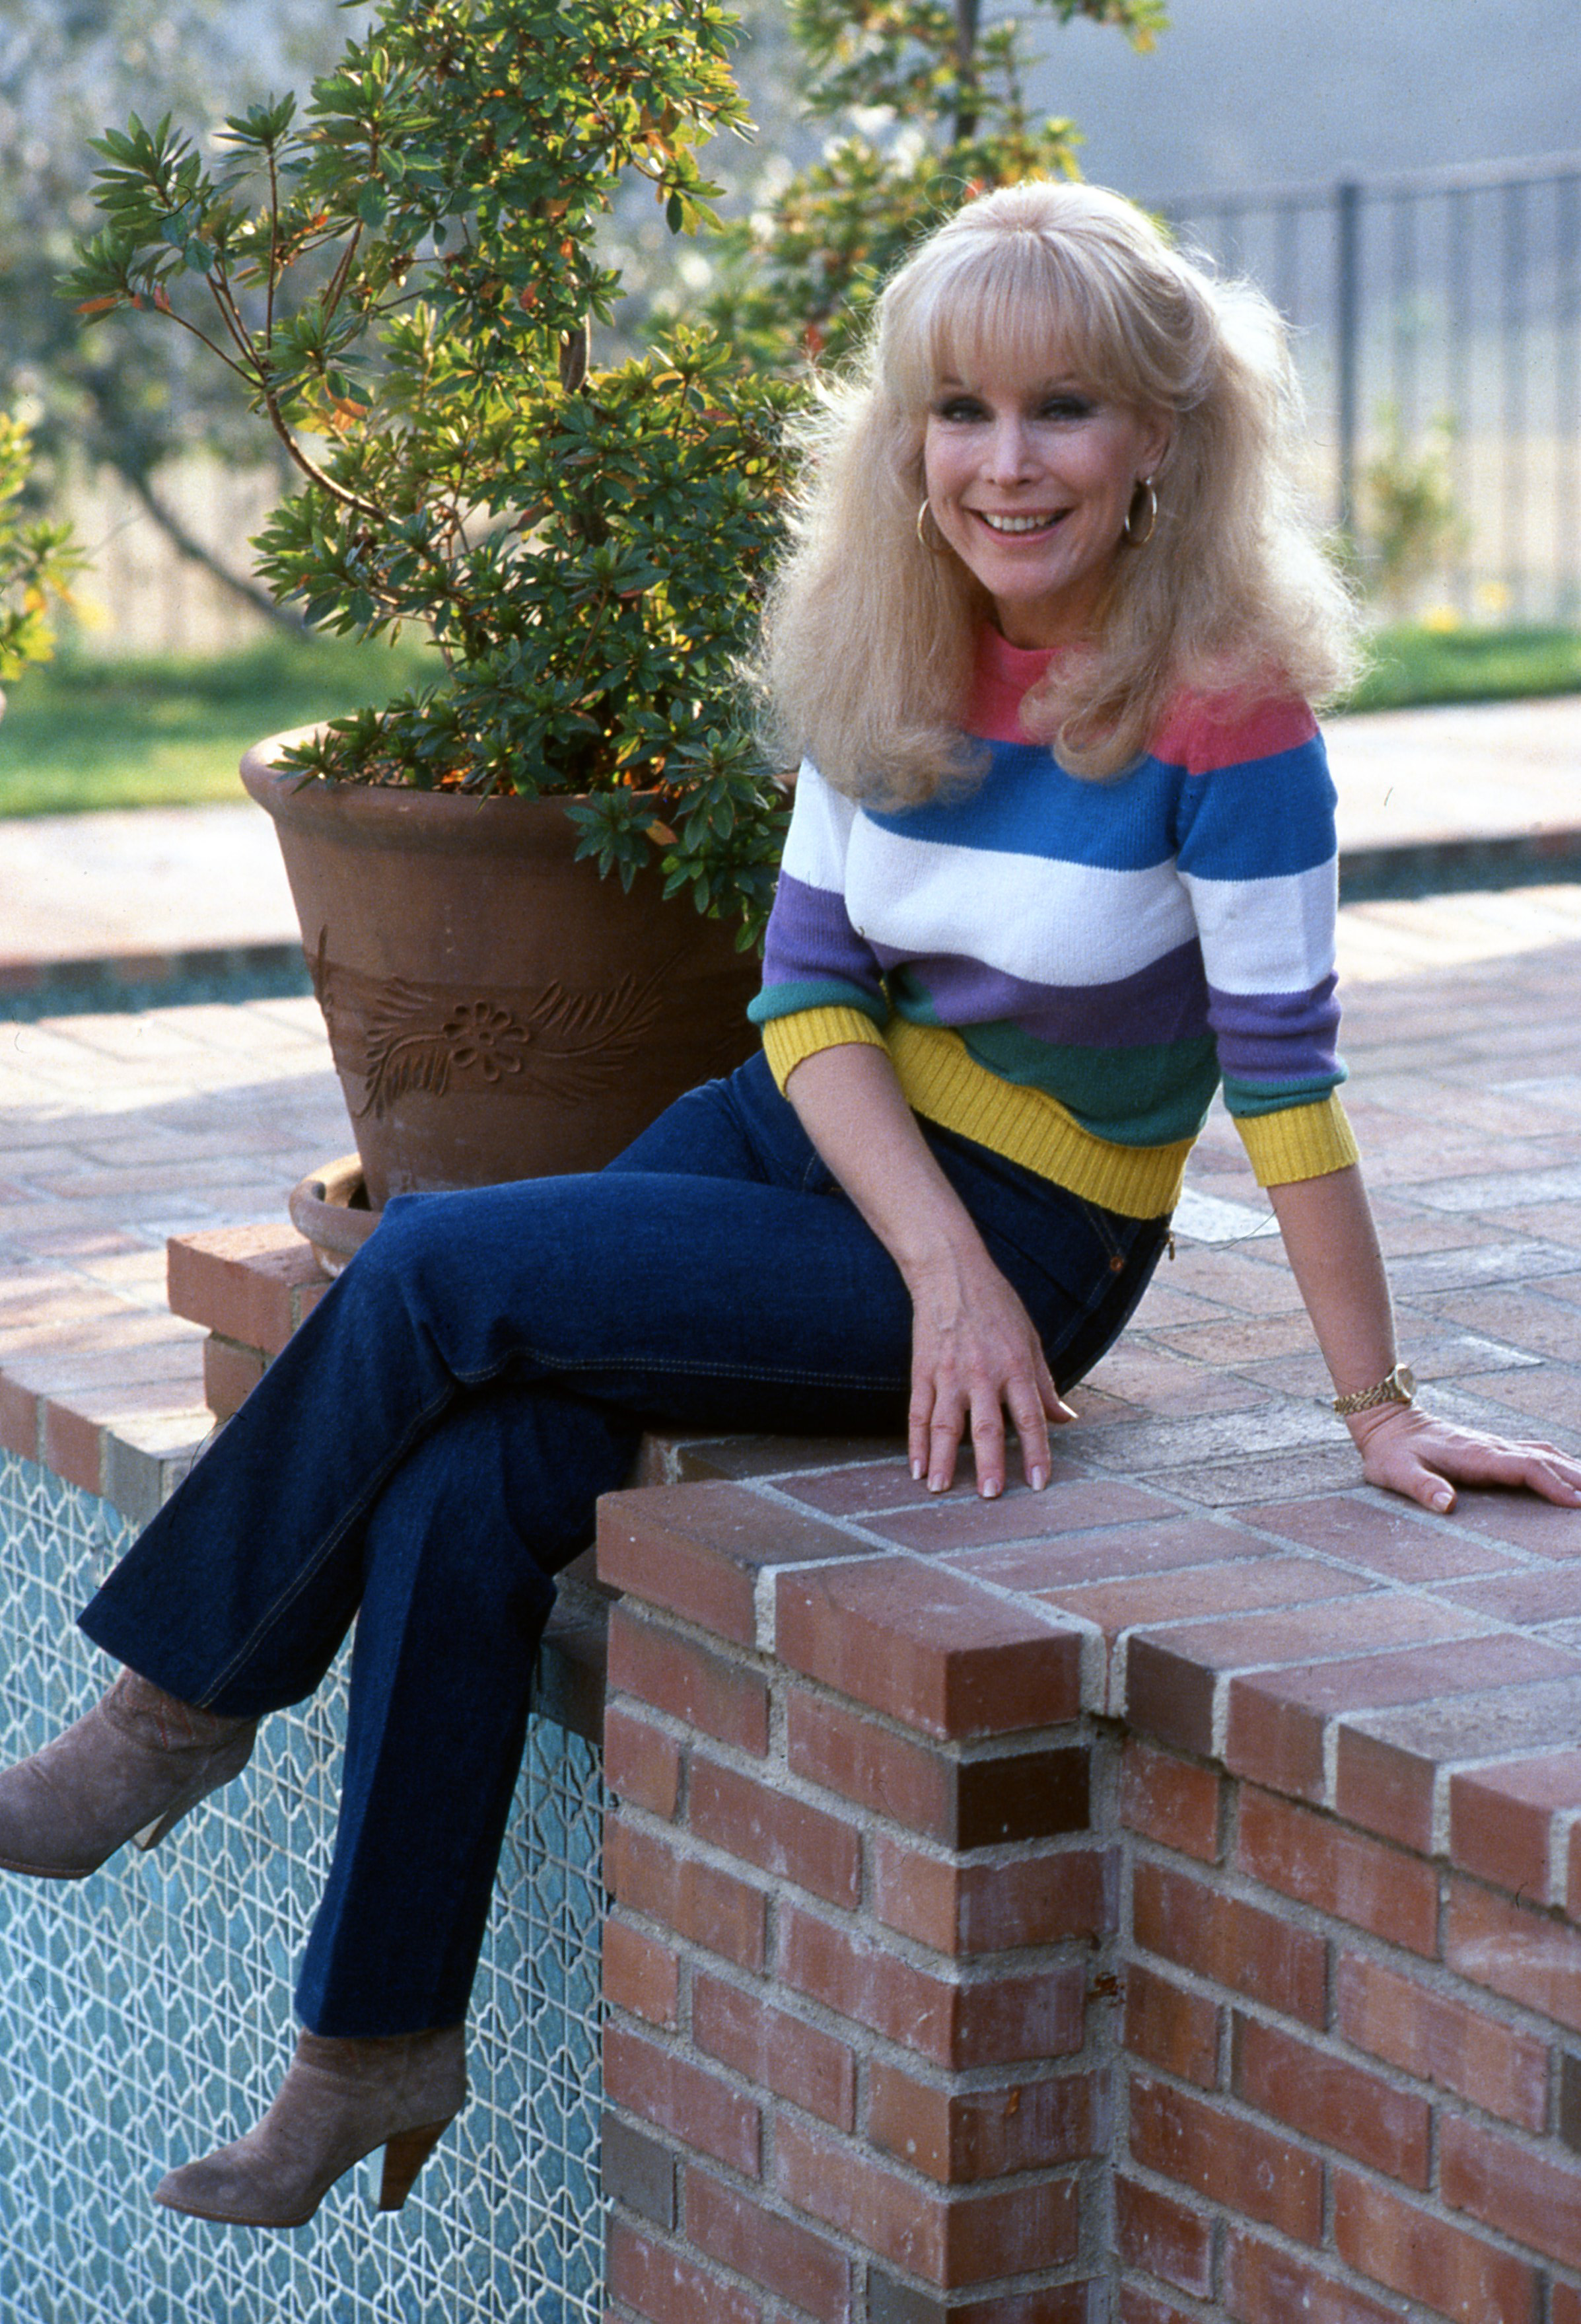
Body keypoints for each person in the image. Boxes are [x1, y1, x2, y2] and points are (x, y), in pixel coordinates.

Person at [1, 178, 1577, 2232]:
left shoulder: (1226, 716)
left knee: (436, 1266)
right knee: (473, 1481)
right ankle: (371, 2039)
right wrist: (917, 1250)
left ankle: (163, 1720)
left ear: (1161, 442)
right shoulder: (881, 636)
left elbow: (1283, 1082)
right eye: (960, 411)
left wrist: (1371, 1407)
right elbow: (809, 998)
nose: (1002, 463)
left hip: (1041, 1230)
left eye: (1063, 411)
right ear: (905, 436)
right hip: (809, 1144)